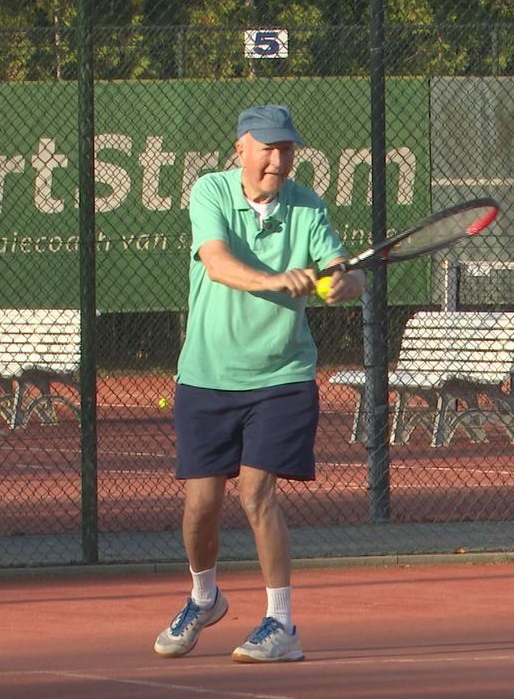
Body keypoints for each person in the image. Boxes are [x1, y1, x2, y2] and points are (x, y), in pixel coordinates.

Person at [153, 104, 363, 663]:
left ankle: (282, 624)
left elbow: (341, 270)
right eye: (266, 148)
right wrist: (275, 280)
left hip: (282, 377)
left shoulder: (308, 207)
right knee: (200, 505)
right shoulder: (211, 193)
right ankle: (204, 598)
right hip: (207, 375)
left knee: (255, 492)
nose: (276, 159)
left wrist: (345, 283)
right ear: (240, 148)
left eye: (286, 149)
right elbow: (218, 263)